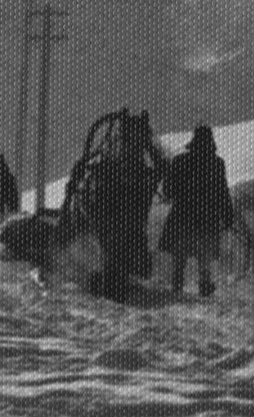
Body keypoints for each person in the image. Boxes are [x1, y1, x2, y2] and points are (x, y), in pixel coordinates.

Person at [71, 107, 170, 300]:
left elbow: (162, 170)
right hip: (119, 228)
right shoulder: (115, 170)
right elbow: (162, 168)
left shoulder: (131, 173)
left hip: (119, 229)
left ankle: (112, 277)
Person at [158, 123, 237, 297]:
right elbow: (222, 193)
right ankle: (205, 285)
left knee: (180, 257)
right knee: (205, 256)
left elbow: (168, 190)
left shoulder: (180, 161)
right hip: (207, 217)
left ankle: (177, 287)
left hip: (182, 216)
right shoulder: (217, 164)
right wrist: (229, 218)